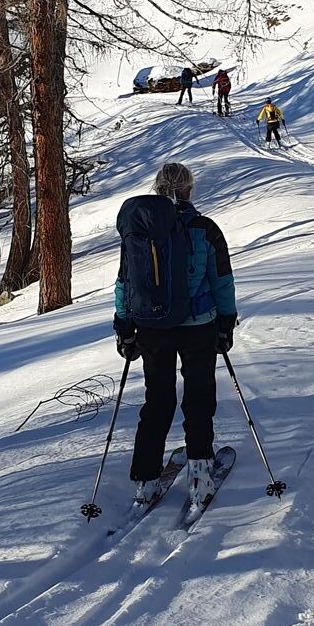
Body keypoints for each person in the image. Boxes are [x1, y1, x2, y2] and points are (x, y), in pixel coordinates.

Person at [114, 161, 237, 507]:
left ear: (157, 189)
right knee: (198, 397)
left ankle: (146, 481)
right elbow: (222, 281)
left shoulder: (141, 229)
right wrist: (226, 323)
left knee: (158, 400)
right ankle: (200, 476)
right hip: (199, 327)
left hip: (153, 328)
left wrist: (124, 326)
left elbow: (125, 281)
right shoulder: (205, 229)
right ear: (189, 189)